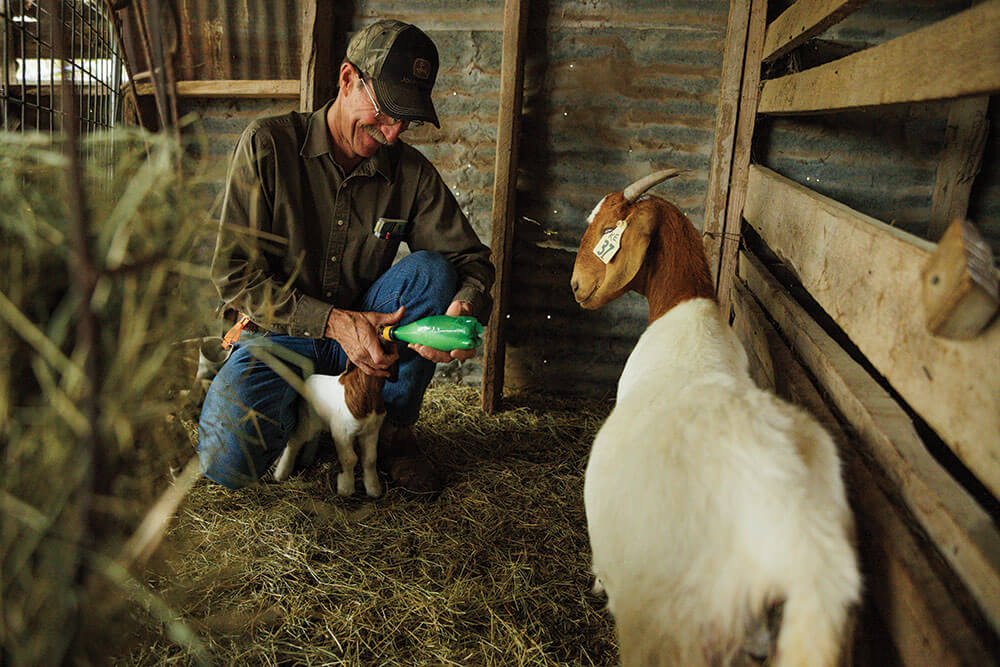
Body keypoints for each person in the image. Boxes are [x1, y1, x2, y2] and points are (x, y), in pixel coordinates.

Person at [196, 19, 494, 494]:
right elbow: (234, 276)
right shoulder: (268, 146)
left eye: (406, 120)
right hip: (276, 334)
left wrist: (465, 312)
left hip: (365, 346)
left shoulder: (409, 172)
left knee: (433, 273)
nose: (393, 133)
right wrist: (333, 320)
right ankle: (307, 416)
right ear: (347, 78)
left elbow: (472, 263)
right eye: (384, 112)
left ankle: (391, 430)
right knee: (225, 463)